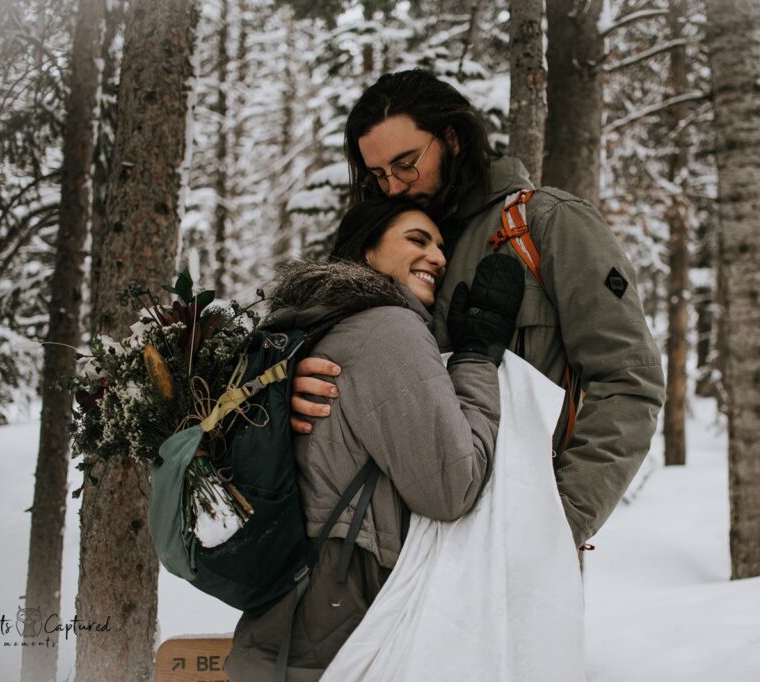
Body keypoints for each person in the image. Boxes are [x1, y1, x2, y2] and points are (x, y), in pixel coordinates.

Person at [292, 69, 665, 551]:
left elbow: (628, 380)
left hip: (518, 540)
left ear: (452, 138)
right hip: (403, 556)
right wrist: (305, 381)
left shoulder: (548, 225)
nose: (394, 185)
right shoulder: (388, 244)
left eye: (406, 163)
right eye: (379, 175)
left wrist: (560, 521)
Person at [225, 197, 525, 679]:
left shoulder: (314, 326)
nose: (439, 257)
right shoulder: (387, 327)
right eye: (416, 239)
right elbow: (451, 488)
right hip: (340, 617)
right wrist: (476, 358)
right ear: (366, 252)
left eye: (441, 246)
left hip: (287, 611)